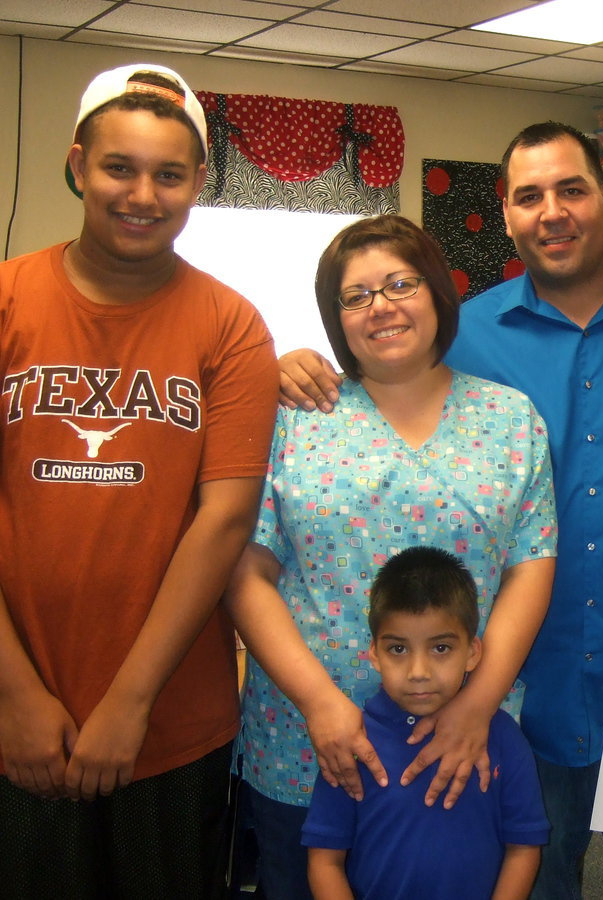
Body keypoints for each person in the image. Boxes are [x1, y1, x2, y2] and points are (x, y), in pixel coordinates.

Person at [278, 121, 603, 900]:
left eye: (571, 189)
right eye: (530, 197)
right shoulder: (465, 334)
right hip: (513, 692)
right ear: (506, 215)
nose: (553, 212)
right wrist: (293, 366)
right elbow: (380, 385)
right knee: (527, 880)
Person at [0, 64, 278, 897]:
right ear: (79, 164)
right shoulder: (9, 299)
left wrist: (130, 702)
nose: (142, 194)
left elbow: (223, 522)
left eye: (170, 174)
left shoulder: (230, 325)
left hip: (171, 720)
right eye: (120, 167)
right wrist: (13, 695)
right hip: (14, 709)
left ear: (200, 182)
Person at [226, 215, 557, 899]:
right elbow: (246, 572)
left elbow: (532, 566)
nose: (381, 306)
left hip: (458, 748)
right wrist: (320, 704)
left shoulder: (510, 420)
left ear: (437, 293)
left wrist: (476, 707)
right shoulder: (292, 416)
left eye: (401, 284)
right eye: (356, 295)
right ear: (335, 317)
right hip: (305, 747)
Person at [303, 546, 548, 900]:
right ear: (374, 653)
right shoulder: (354, 744)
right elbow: (325, 861)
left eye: (441, 648)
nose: (419, 673)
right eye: (399, 649)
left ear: (472, 652)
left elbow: (524, 848)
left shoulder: (504, 738)